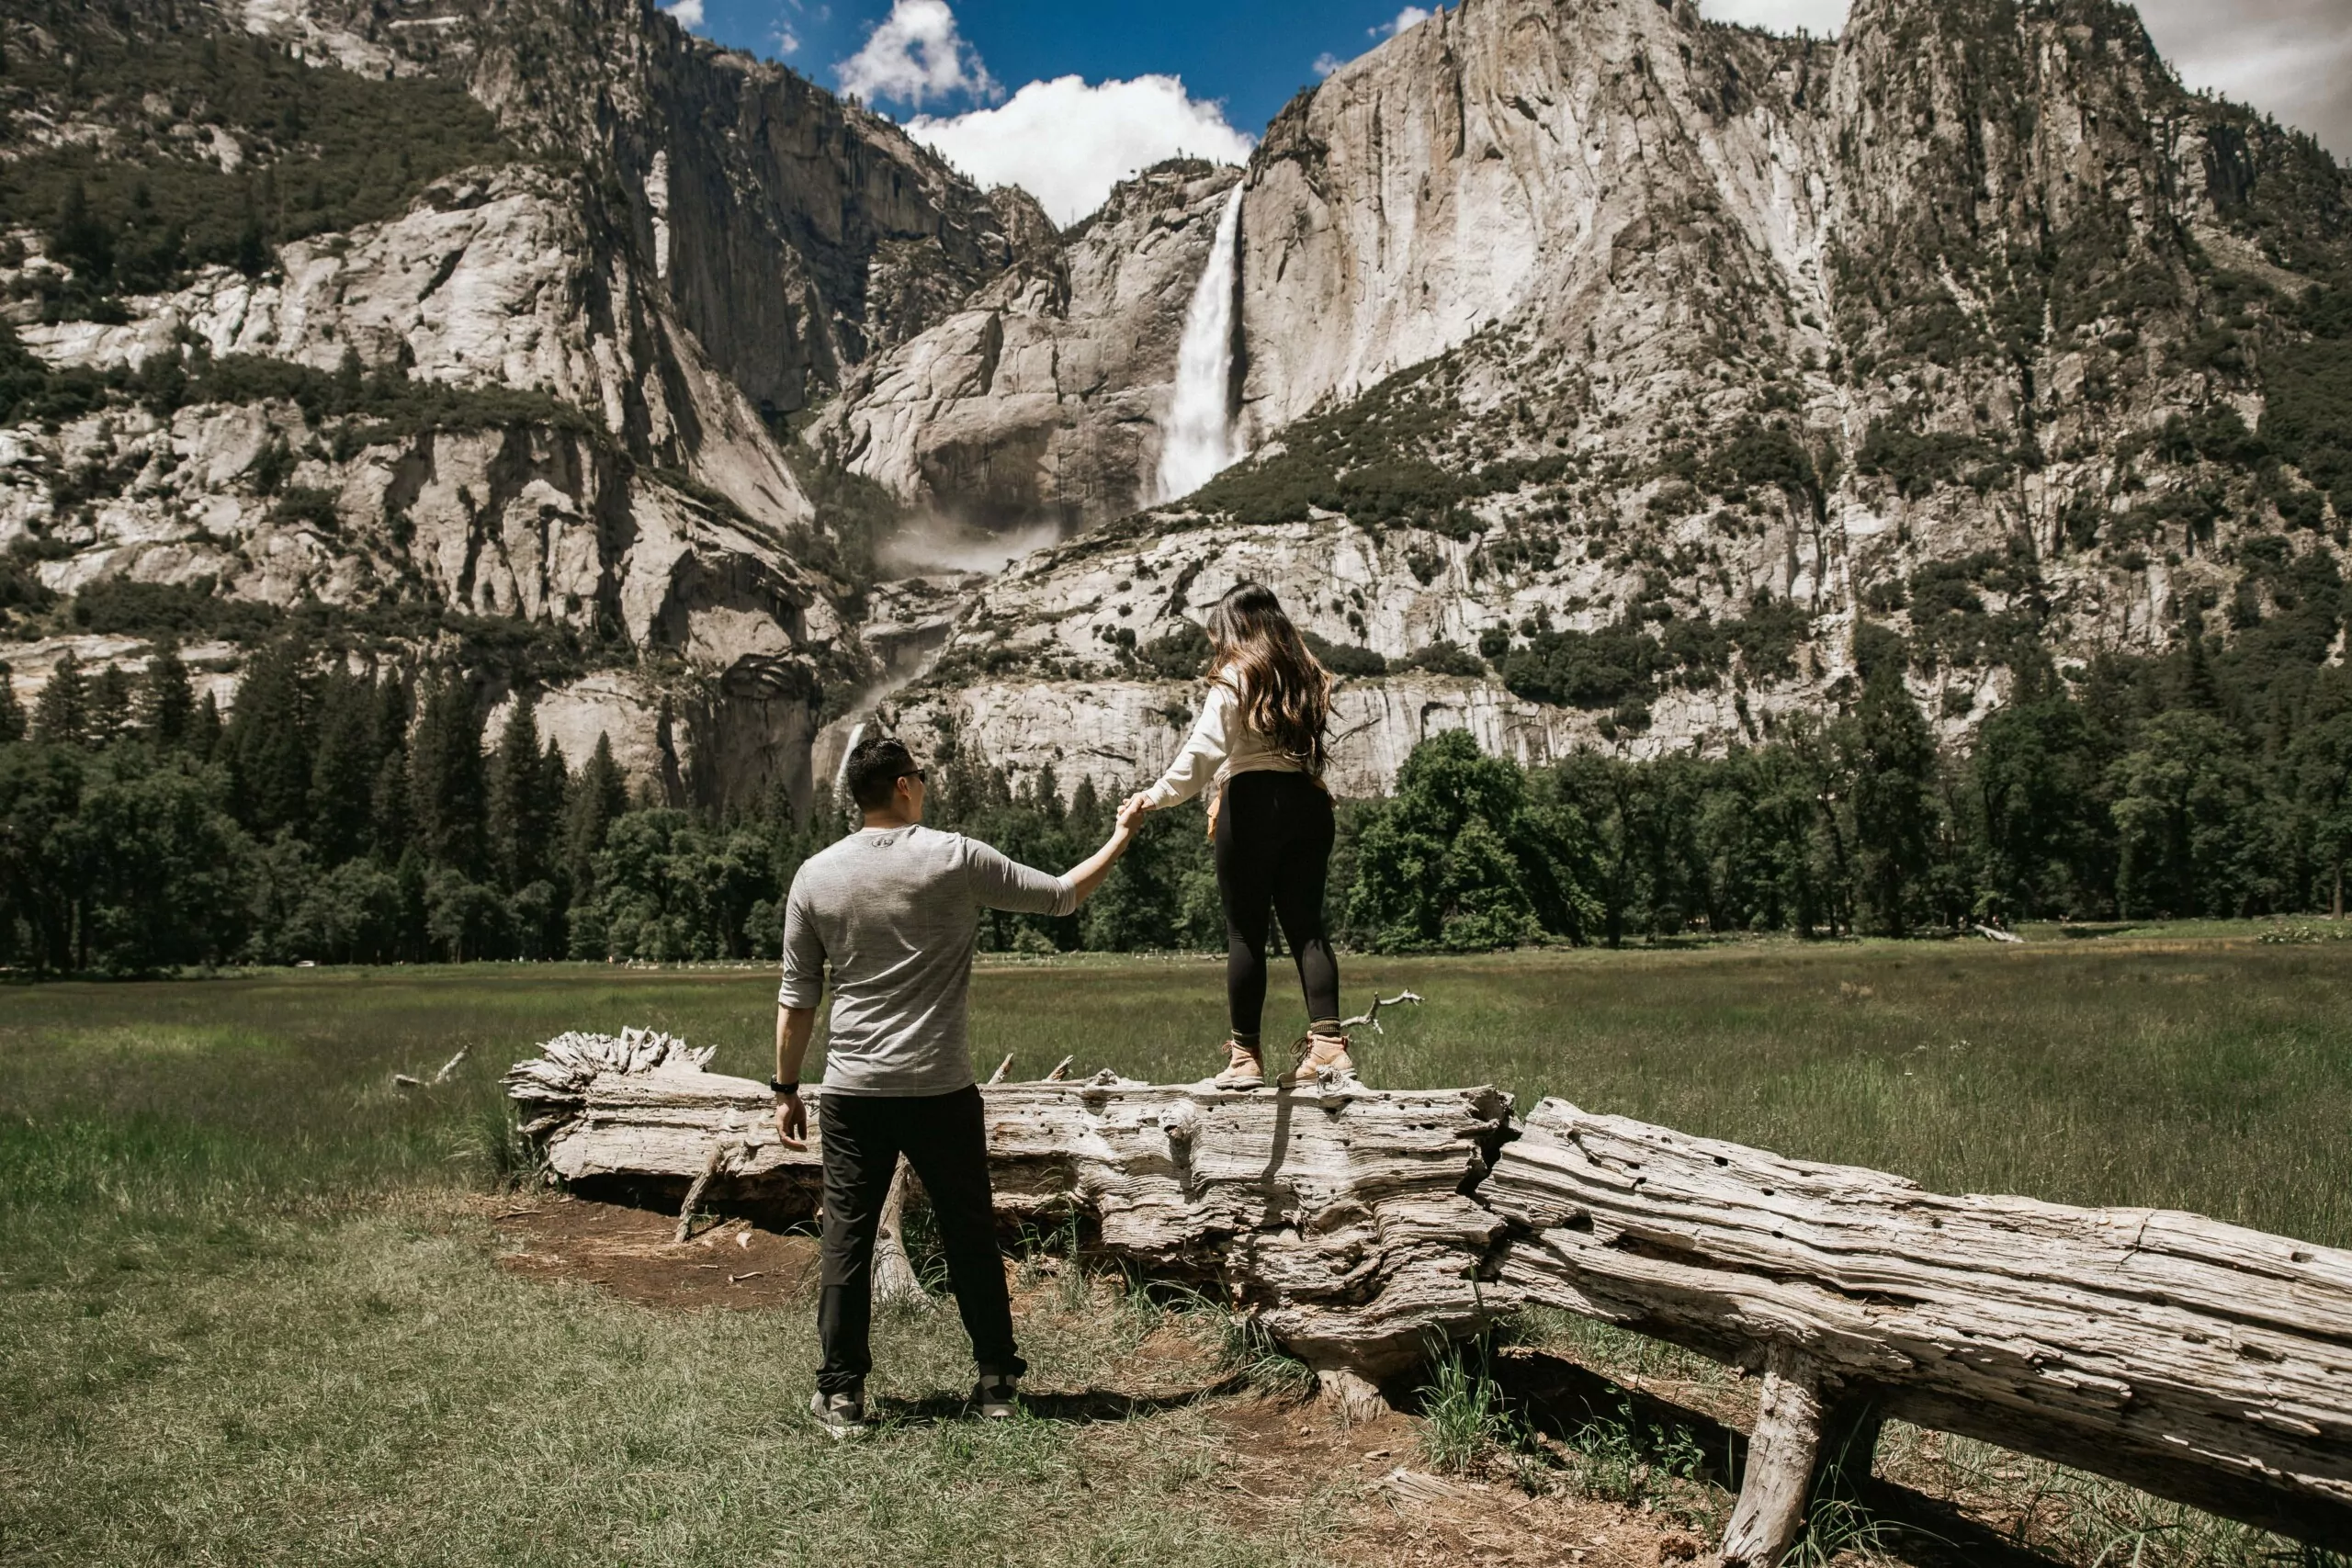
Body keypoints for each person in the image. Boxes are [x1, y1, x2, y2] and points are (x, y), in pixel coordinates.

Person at [772, 734, 1143, 1439]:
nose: (926, 787)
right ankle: (998, 1379)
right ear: (905, 786)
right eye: (921, 777)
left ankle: (843, 1393)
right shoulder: (954, 857)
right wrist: (1121, 835)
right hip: (941, 1087)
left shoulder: (815, 875)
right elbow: (1063, 896)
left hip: (853, 1089)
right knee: (969, 1231)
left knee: (846, 1238)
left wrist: (785, 1086)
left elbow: (797, 998)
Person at [1122, 582, 1349, 1092]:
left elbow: (1203, 754)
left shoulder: (1236, 674)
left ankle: (1245, 1059)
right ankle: (1329, 1048)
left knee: (1246, 933)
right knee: (1308, 928)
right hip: (1310, 802)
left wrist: (1152, 796)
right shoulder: (1307, 673)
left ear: (1236, 626)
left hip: (1251, 803)